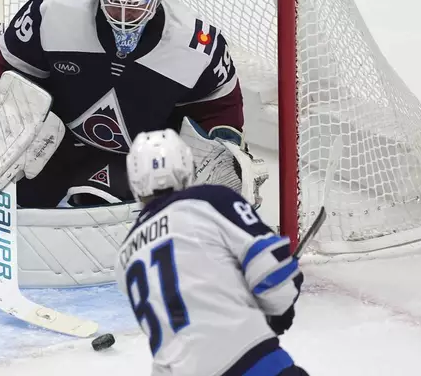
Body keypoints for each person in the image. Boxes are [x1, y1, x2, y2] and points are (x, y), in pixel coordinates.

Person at [0, 0, 266, 208]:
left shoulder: (198, 43)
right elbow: (11, 68)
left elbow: (219, 108)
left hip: (142, 161)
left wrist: (226, 152)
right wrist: (27, 124)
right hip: (56, 145)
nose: (126, 6)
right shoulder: (52, 9)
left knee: (104, 206)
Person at [115, 129, 307, 376]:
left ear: (134, 181)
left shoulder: (124, 257)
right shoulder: (211, 200)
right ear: (187, 166)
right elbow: (273, 274)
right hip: (248, 361)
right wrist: (279, 311)